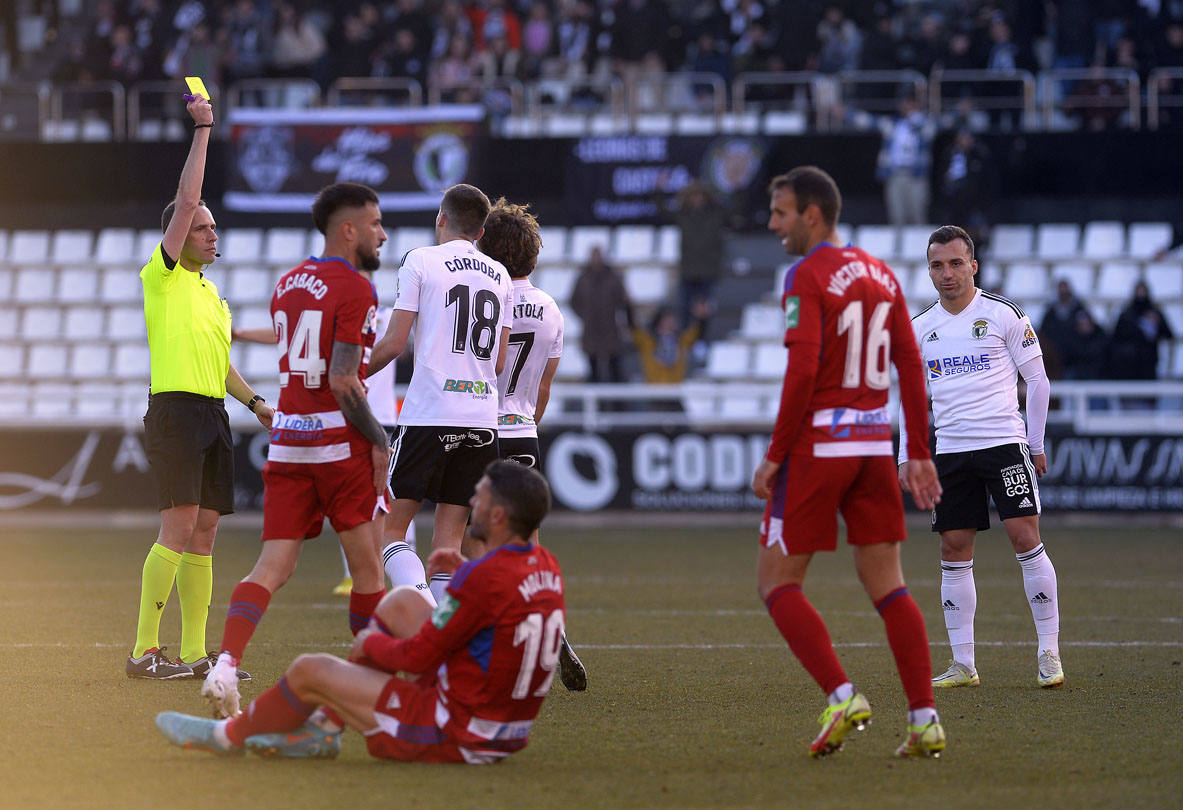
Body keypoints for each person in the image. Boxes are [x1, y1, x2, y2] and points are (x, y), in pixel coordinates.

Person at [157, 461, 564, 763]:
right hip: (504, 726)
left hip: (458, 732)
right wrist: (464, 575)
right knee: (401, 603)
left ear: (497, 516)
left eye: (483, 496)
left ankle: (227, 736)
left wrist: (372, 642)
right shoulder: (546, 565)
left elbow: (420, 655)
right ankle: (324, 730)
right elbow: (494, 614)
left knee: (309, 670)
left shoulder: (485, 579)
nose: (473, 500)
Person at [751, 166, 946, 759]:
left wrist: (774, 455)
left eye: (781, 213)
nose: (773, 223)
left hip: (819, 449)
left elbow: (804, 370)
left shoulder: (806, 274)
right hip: (871, 445)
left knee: (777, 583)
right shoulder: (883, 274)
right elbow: (911, 364)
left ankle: (841, 695)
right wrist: (916, 452)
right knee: (889, 584)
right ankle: (924, 720)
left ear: (813, 214)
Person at [201, 182, 393, 718]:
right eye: (375, 224)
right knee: (369, 571)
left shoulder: (288, 283)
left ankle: (225, 665)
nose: (382, 234)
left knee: (271, 567)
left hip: (287, 442)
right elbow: (343, 380)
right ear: (349, 229)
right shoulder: (358, 288)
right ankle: (367, 685)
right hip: (337, 444)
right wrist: (378, 439)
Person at [127, 90, 274, 681]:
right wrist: (205, 128)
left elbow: (221, 364)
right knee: (180, 525)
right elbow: (188, 197)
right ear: (180, 234)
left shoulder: (213, 296)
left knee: (206, 531)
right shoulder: (161, 278)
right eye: (203, 228)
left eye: (214, 228)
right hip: (176, 412)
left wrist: (257, 402)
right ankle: (143, 651)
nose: (213, 236)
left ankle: (191, 654)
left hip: (212, 413)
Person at [901, 225, 1062, 691]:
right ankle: (964, 664)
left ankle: (1048, 650)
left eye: (955, 263)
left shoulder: (1003, 314)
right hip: (950, 451)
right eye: (937, 265)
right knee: (953, 547)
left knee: (1023, 535)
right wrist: (907, 454)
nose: (946, 273)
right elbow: (909, 399)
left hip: (1003, 443)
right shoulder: (921, 328)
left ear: (973, 265)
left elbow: (1039, 381)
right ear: (929, 270)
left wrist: (1035, 443)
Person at [368, 183, 513, 608]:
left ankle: (431, 622)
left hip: (430, 414)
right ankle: (448, 638)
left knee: (388, 533)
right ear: (482, 232)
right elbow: (500, 362)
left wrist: (354, 377)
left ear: (441, 220)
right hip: (481, 420)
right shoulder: (500, 275)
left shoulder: (421, 260)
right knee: (448, 546)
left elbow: (394, 344)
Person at [232, 302, 418, 598]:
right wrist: (240, 333)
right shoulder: (339, 317)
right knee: (359, 504)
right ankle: (358, 577)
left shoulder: (386, 317)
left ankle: (403, 572)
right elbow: (286, 335)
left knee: (391, 501)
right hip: (355, 415)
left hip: (381, 417)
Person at [476, 196, 587, 692]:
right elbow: (543, 387)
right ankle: (550, 628)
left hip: (477, 426)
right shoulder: (549, 308)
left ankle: (491, 645)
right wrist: (524, 420)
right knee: (526, 545)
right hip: (523, 431)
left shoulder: (483, 295)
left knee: (472, 542)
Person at [570, 245, 633, 383]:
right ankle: (596, 403)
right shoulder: (583, 279)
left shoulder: (613, 277)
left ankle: (617, 403)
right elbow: (574, 301)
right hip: (591, 331)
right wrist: (585, 316)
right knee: (593, 371)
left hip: (610, 329)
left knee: (615, 370)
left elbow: (624, 301)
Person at [876, 94, 935, 226]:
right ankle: (899, 246)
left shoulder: (925, 124)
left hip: (916, 176)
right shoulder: (893, 124)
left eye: (910, 104)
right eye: (904, 103)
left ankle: (921, 245)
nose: (906, 107)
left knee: (917, 214)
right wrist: (846, 113)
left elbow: (944, 122)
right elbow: (869, 121)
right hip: (895, 174)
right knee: (896, 216)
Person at [1108, 281, 1175, 381]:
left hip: (1149, 362)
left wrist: (1157, 324)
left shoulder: (1155, 313)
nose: (1141, 294)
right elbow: (1115, 337)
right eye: (1139, 291)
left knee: (1148, 393)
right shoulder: (1126, 314)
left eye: (1143, 291)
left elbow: (1168, 334)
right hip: (1128, 364)